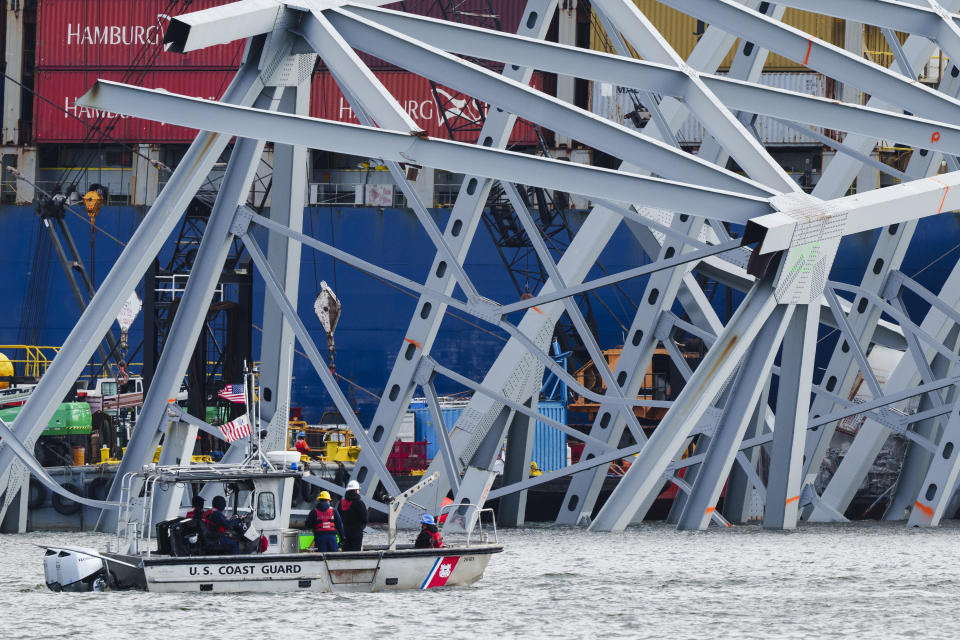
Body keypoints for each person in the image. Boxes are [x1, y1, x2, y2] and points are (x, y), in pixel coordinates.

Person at [337, 480, 367, 551]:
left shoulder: (341, 503)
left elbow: (338, 518)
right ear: (356, 491)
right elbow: (364, 518)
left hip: (345, 533)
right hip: (357, 533)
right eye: (358, 490)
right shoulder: (360, 503)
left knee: (345, 552)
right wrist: (360, 528)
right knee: (356, 555)